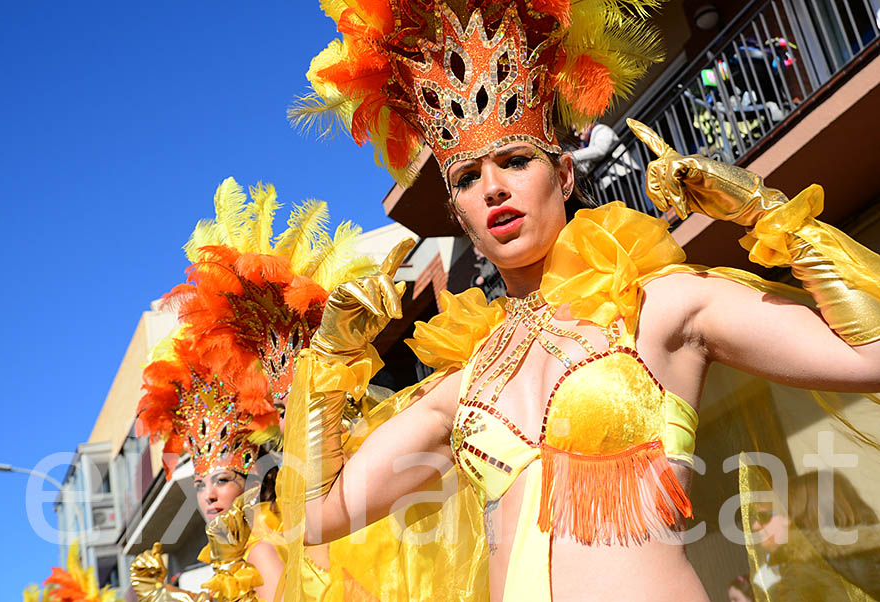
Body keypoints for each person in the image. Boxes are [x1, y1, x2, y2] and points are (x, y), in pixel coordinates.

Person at [281, 2, 880, 601]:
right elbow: (318, 515)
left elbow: (869, 356)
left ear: (564, 175)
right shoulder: (462, 388)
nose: (493, 187)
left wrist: (765, 214)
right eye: (467, 178)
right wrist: (331, 354)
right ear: (459, 216)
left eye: (515, 161)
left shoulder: (658, 308)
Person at [131, 178, 377, 602]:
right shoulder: (254, 527)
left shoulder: (266, 530)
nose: (209, 496)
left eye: (222, 480)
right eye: (202, 485)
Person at [752, 471, 880, 601]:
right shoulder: (872, 556)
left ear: (795, 518)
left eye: (764, 516)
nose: (755, 525)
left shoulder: (804, 576)